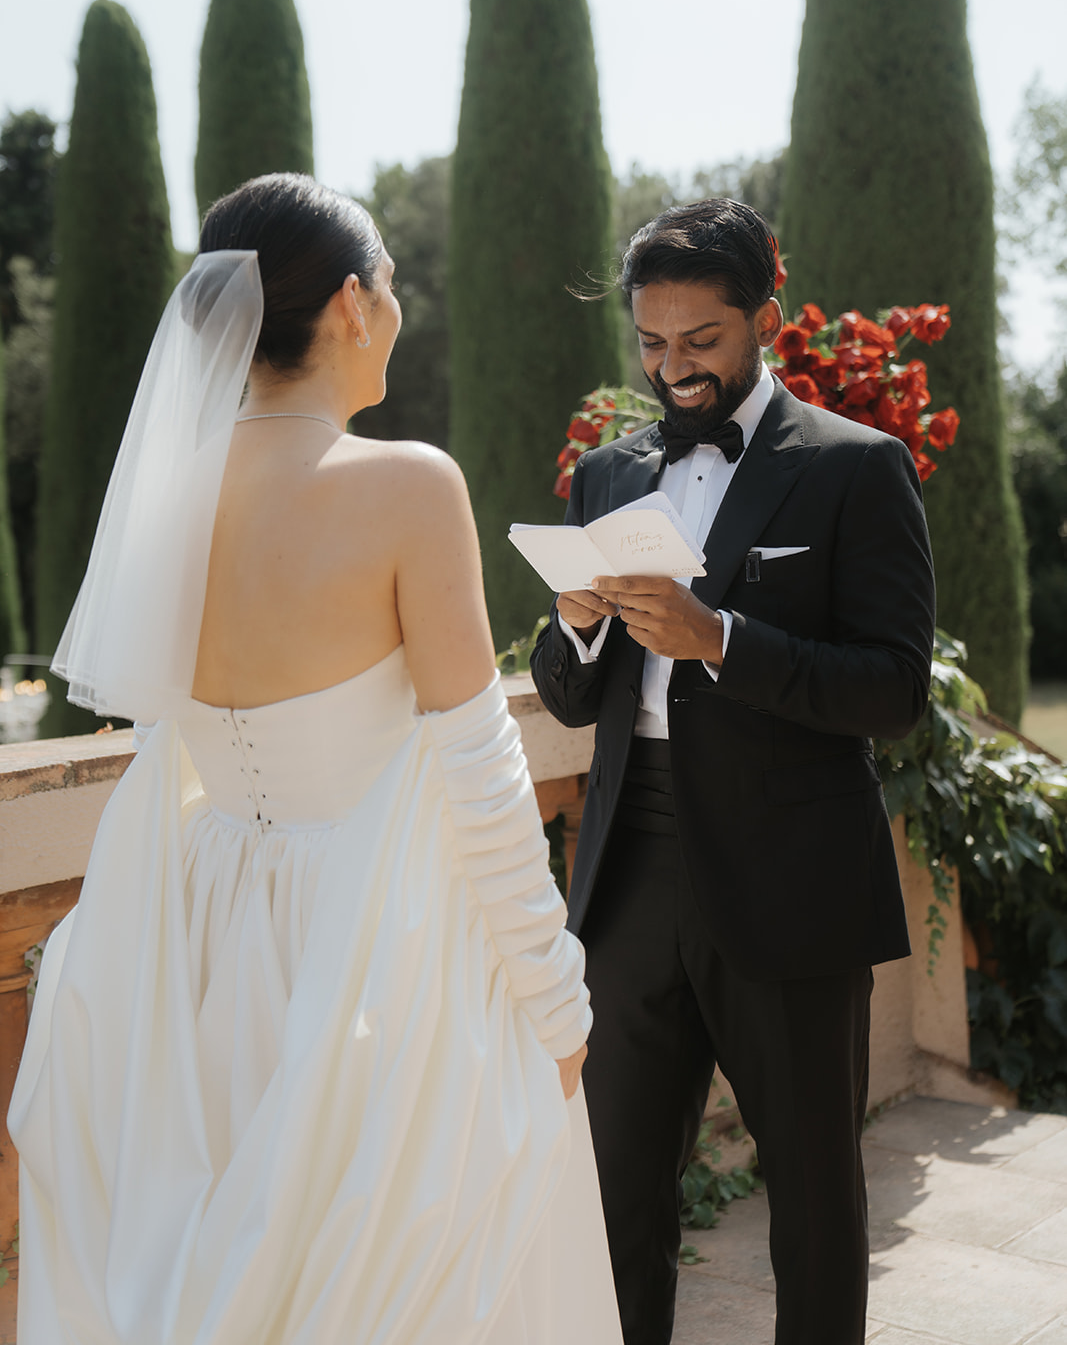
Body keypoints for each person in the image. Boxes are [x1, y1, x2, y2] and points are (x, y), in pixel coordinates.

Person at [9, 173, 623, 1345]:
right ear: (349, 303)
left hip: (202, 941)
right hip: (380, 956)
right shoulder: (405, 485)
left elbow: (163, 745)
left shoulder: (164, 502)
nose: (398, 307)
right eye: (390, 281)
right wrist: (553, 996)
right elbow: (479, 766)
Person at [530, 199, 936, 1345]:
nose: (673, 370)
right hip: (627, 879)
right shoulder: (606, 475)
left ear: (765, 315)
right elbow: (567, 697)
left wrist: (719, 641)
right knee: (615, 1202)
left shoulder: (859, 468)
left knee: (812, 1202)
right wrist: (577, 625)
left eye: (700, 342)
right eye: (651, 345)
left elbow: (893, 691)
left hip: (793, 875)